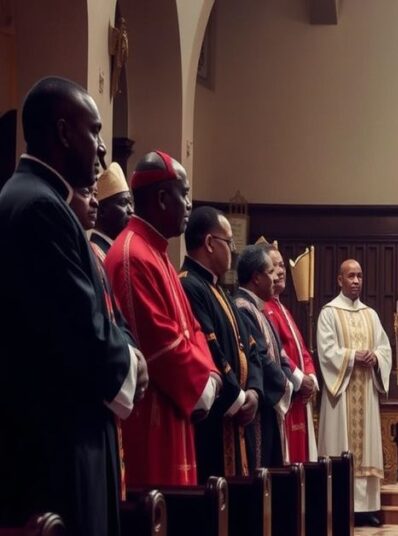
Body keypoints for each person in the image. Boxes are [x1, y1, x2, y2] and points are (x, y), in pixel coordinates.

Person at [0, 76, 143, 536]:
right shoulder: (40, 209)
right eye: (95, 132)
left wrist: (124, 351)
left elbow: (100, 313)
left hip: (63, 434)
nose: (103, 150)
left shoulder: (35, 199)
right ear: (63, 133)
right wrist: (131, 364)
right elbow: (81, 331)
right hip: (57, 445)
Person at [106, 149, 220, 486]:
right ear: (160, 197)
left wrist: (209, 374)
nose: (188, 203)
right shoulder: (132, 254)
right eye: (183, 193)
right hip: (152, 420)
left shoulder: (158, 253)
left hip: (176, 410)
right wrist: (206, 382)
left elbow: (193, 328)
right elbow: (161, 345)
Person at [181, 207, 262, 479]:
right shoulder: (190, 286)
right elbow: (209, 348)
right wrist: (238, 398)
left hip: (240, 414)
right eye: (229, 242)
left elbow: (250, 346)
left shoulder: (221, 291)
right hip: (217, 419)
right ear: (209, 243)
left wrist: (255, 391)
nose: (234, 249)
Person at [317, 259, 392, 527]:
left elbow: (385, 348)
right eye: (351, 276)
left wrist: (376, 357)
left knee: (366, 449)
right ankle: (340, 507)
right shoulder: (328, 313)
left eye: (360, 276)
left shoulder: (370, 314)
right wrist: (351, 356)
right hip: (342, 392)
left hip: (366, 390)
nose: (356, 281)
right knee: (341, 447)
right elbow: (326, 352)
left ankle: (366, 508)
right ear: (340, 280)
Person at [234, 243, 295, 469]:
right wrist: (285, 386)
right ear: (257, 278)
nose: (275, 278)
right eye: (270, 272)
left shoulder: (259, 308)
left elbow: (280, 353)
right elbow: (259, 356)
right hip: (260, 409)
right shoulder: (243, 307)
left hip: (271, 405)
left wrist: (286, 380)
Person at [263, 245, 319, 462]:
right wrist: (299, 380)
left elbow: (302, 350)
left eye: (282, 265)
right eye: (274, 266)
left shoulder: (283, 309)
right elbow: (279, 354)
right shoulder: (264, 309)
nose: (281, 271)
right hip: (286, 394)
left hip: (299, 395)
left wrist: (311, 379)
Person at [90, 161, 133, 261]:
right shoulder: (95, 254)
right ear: (102, 211)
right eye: (123, 202)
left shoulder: (114, 251)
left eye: (130, 203)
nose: (131, 210)